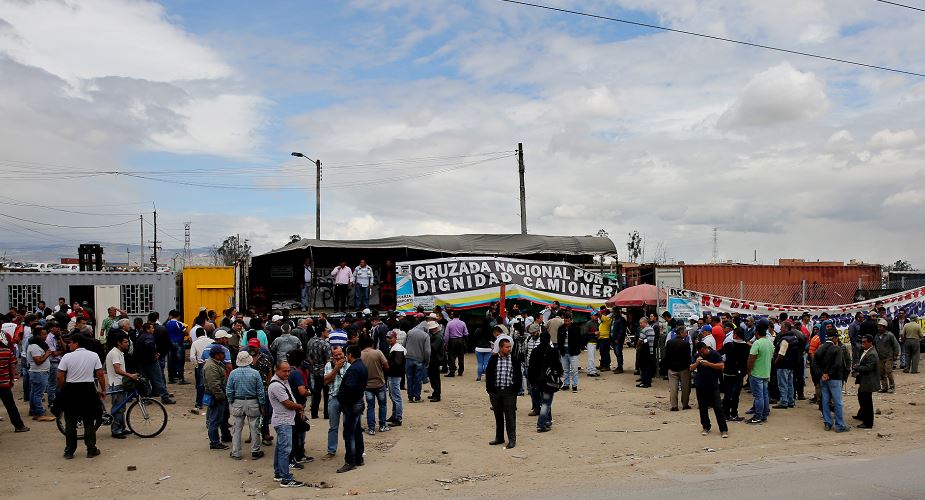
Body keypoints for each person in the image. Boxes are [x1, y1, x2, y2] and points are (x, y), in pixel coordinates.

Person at [57, 334, 107, 459]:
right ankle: (91, 449)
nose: (68, 344)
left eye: (70, 342)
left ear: (77, 343)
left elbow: (60, 375)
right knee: (89, 421)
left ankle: (69, 451)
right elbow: (100, 374)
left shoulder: (67, 357)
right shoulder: (93, 355)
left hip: (71, 389)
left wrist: (63, 388)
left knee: (70, 421)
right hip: (88, 389)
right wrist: (103, 389)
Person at [267, 361, 306, 487]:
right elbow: (287, 403)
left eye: (289, 371)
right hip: (283, 421)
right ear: (277, 370)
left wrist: (298, 409)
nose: (287, 373)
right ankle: (286, 478)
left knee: (280, 448)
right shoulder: (276, 385)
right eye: (285, 371)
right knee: (285, 450)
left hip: (285, 419)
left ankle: (279, 473)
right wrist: (299, 406)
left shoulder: (282, 381)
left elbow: (290, 399)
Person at [226, 350, 266, 460]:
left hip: (237, 402)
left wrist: (231, 401)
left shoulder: (233, 373)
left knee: (237, 428)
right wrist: (262, 404)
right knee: (255, 428)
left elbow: (229, 390)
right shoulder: (255, 373)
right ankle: (255, 451)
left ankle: (236, 452)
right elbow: (260, 391)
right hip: (253, 402)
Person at [337, 345, 368, 473]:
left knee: (349, 433)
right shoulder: (361, 366)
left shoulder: (354, 368)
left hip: (352, 404)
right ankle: (358, 457)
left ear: (350, 355)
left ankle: (350, 461)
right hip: (357, 402)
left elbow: (350, 388)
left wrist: (341, 398)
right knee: (356, 431)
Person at [486, 338, 521, 449]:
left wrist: (515, 389)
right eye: (507, 347)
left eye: (510, 347)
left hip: (509, 392)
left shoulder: (514, 359)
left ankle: (512, 440)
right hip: (496, 392)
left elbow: (518, 375)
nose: (509, 349)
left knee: (510, 417)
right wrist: (490, 390)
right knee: (498, 416)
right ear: (501, 348)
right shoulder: (493, 359)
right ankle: (499, 437)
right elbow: (489, 374)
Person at [105, 331, 139, 438]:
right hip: (116, 384)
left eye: (127, 342)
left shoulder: (119, 353)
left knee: (121, 407)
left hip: (120, 383)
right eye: (125, 342)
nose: (127, 344)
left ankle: (122, 427)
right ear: (119, 343)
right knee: (118, 408)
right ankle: (116, 430)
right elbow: (117, 369)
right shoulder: (114, 353)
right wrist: (130, 375)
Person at [691, 341, 728, 438]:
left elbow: (721, 366)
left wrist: (709, 364)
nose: (702, 354)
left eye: (703, 352)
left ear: (706, 348)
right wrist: (696, 363)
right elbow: (690, 368)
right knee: (703, 407)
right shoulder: (697, 356)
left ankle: (723, 429)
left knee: (718, 407)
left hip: (713, 385)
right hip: (700, 385)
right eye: (700, 352)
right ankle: (706, 426)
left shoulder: (715, 354)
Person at [815, 332, 849, 432]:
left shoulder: (820, 348)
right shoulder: (836, 349)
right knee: (838, 401)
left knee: (825, 400)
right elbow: (838, 364)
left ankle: (827, 423)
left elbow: (814, 363)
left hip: (823, 379)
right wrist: (829, 374)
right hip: (835, 378)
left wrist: (822, 374)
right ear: (834, 338)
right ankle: (840, 425)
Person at [528, 332, 562, 432]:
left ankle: (548, 420)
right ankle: (541, 424)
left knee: (545, 400)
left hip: (537, 381)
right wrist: (559, 374)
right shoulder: (553, 351)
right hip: (548, 381)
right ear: (549, 339)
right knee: (546, 402)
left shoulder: (535, 351)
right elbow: (558, 366)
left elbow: (531, 367)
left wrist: (531, 381)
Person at [322, 347, 348, 460]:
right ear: (332, 356)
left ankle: (349, 449)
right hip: (334, 398)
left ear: (344, 354)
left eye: (340, 354)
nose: (338, 357)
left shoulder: (349, 365)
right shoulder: (329, 365)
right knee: (333, 426)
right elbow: (326, 381)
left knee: (348, 426)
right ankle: (331, 450)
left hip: (346, 399)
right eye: (335, 355)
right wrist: (336, 368)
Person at [0, 331, 29, 432]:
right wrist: (11, 380)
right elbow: (12, 368)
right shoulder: (7, 351)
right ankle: (19, 426)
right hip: (4, 384)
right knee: (11, 406)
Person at [360, 336, 389, 433]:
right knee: (382, 405)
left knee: (370, 406)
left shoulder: (360, 355)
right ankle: (382, 425)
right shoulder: (378, 353)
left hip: (367, 385)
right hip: (379, 383)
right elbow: (386, 365)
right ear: (372, 344)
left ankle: (371, 428)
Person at [746, 319, 773, 424]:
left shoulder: (757, 343)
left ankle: (757, 416)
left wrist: (749, 371)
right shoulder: (769, 342)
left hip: (756, 373)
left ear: (756, 332)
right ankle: (764, 415)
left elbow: (751, 359)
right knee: (764, 395)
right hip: (766, 372)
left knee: (758, 397)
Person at [27, 326, 55, 421]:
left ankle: (34, 410)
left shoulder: (38, 345)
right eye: (43, 334)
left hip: (39, 372)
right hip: (39, 373)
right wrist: (47, 354)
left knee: (34, 392)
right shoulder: (34, 346)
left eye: (46, 334)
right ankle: (40, 413)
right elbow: (38, 361)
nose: (46, 336)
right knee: (38, 394)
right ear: (37, 335)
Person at [722, 327, 750, 422]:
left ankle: (726, 414)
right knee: (736, 395)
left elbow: (720, 354)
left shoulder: (729, 345)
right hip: (739, 374)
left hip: (728, 372)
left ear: (735, 335)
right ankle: (734, 414)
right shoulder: (747, 347)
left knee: (727, 394)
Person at [203, 347, 230, 450]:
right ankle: (214, 442)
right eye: (222, 353)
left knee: (219, 418)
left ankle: (221, 438)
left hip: (219, 396)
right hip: (216, 397)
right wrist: (221, 397)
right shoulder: (211, 366)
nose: (224, 355)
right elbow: (214, 385)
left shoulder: (217, 363)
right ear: (216, 355)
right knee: (215, 420)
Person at [663, 324, 692, 411]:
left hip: (672, 368)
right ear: (681, 333)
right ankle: (685, 404)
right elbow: (688, 357)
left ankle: (674, 405)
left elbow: (666, 355)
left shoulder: (669, 342)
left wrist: (668, 366)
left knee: (673, 388)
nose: (686, 334)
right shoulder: (686, 344)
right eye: (685, 332)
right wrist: (689, 367)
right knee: (685, 388)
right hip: (683, 368)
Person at [853, 334, 879, 429]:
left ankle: (868, 423)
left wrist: (858, 367)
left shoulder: (872, 354)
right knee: (861, 398)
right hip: (865, 380)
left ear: (870, 343)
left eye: (864, 342)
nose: (862, 344)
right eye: (862, 342)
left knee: (867, 402)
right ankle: (862, 415)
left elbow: (869, 368)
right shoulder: (867, 351)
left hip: (869, 381)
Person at [306, 325, 332, 419]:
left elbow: (308, 356)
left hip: (314, 369)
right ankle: (326, 413)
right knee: (326, 393)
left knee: (316, 392)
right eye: (327, 331)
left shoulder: (310, 342)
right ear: (322, 332)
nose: (328, 333)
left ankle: (314, 413)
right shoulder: (326, 344)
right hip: (324, 370)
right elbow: (329, 359)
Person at [773, 322, 800, 409]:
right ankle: (790, 401)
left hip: (783, 365)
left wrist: (776, 362)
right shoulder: (794, 338)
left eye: (782, 327)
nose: (780, 329)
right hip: (791, 364)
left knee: (782, 384)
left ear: (786, 328)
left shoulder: (785, 340)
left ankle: (783, 402)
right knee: (790, 384)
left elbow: (781, 354)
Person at [403, 320, 431, 403]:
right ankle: (417, 397)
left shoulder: (410, 332)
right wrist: (427, 361)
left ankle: (410, 397)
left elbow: (404, 345)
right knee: (418, 379)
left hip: (408, 359)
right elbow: (427, 351)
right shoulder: (426, 335)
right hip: (419, 360)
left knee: (409, 378)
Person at [874, 319, 900, 393]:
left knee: (888, 371)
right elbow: (875, 346)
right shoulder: (876, 336)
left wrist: (895, 355)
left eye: (881, 327)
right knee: (881, 373)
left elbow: (896, 345)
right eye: (878, 327)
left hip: (889, 357)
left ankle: (892, 387)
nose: (879, 328)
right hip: (880, 357)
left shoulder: (890, 335)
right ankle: (884, 387)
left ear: (885, 327)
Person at [385, 330, 405, 427]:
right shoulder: (395, 347)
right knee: (393, 396)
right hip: (393, 375)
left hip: (395, 375)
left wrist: (386, 366)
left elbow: (397, 363)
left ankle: (398, 418)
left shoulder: (398, 348)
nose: (389, 339)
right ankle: (394, 415)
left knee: (396, 397)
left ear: (395, 338)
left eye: (390, 338)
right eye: (388, 338)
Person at [557, 315, 582, 392]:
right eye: (565, 321)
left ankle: (574, 385)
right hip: (564, 351)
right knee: (566, 369)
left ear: (571, 320)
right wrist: (560, 349)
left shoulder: (576, 328)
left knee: (574, 370)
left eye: (568, 321)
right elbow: (559, 339)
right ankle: (566, 384)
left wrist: (578, 348)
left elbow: (579, 339)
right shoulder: (561, 328)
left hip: (573, 351)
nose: (567, 322)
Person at [165, 310, 188, 385]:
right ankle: (181, 379)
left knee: (171, 361)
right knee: (180, 361)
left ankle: (171, 378)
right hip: (178, 343)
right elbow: (186, 333)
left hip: (170, 343)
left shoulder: (167, 323)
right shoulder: (179, 323)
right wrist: (186, 328)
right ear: (178, 316)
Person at [444, 311, 469, 377]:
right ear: (459, 316)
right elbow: (466, 333)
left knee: (452, 356)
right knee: (461, 356)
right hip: (460, 340)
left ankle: (452, 371)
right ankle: (460, 371)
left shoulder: (449, 323)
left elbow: (446, 335)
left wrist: (445, 343)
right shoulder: (462, 323)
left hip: (452, 341)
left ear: (452, 316)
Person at [636, 317, 656, 388]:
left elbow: (640, 340)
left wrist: (637, 347)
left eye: (641, 323)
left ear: (645, 322)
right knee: (648, 367)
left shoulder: (644, 330)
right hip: (651, 350)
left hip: (644, 351)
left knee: (643, 367)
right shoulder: (651, 329)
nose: (640, 325)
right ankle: (648, 382)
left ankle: (644, 382)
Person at [427, 320, 444, 402]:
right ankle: (435, 393)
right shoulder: (436, 335)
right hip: (434, 359)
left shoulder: (437, 337)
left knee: (435, 378)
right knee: (433, 377)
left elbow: (433, 348)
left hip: (435, 359)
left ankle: (437, 395)